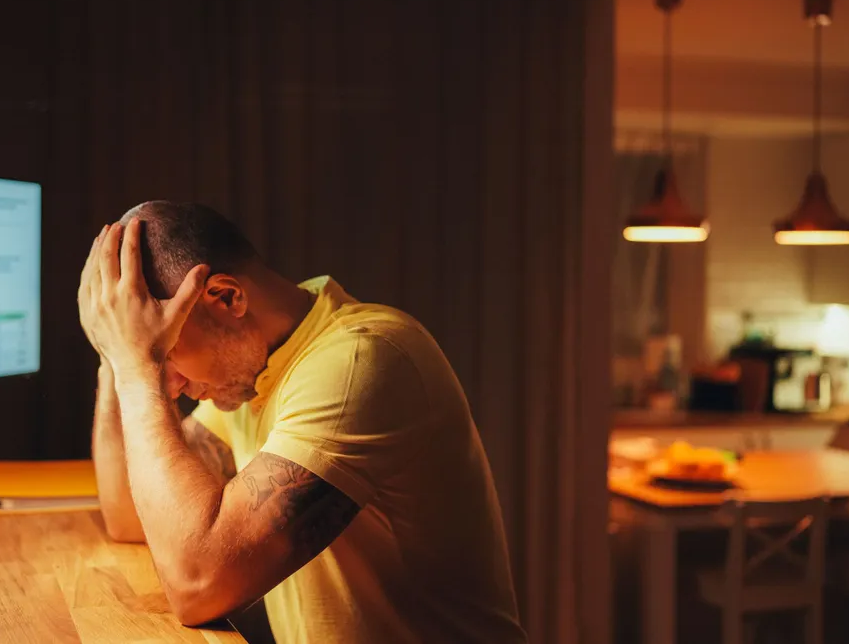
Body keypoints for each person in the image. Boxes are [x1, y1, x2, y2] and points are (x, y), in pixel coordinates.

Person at [78, 201, 527, 644]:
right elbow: (130, 518)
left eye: (165, 351)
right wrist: (116, 355)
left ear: (226, 297)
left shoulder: (358, 361)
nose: (169, 386)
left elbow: (197, 585)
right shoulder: (253, 370)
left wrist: (139, 366)